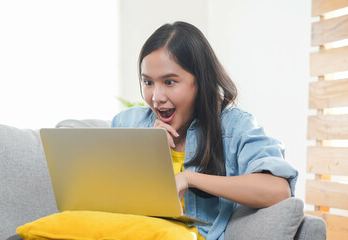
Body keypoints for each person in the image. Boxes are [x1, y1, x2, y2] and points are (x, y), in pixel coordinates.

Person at [111, 21, 298, 240]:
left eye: (169, 82)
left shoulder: (234, 126)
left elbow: (277, 190)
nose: (156, 97)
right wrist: (147, 151)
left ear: (200, 81)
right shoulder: (127, 122)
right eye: (148, 82)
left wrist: (189, 178)